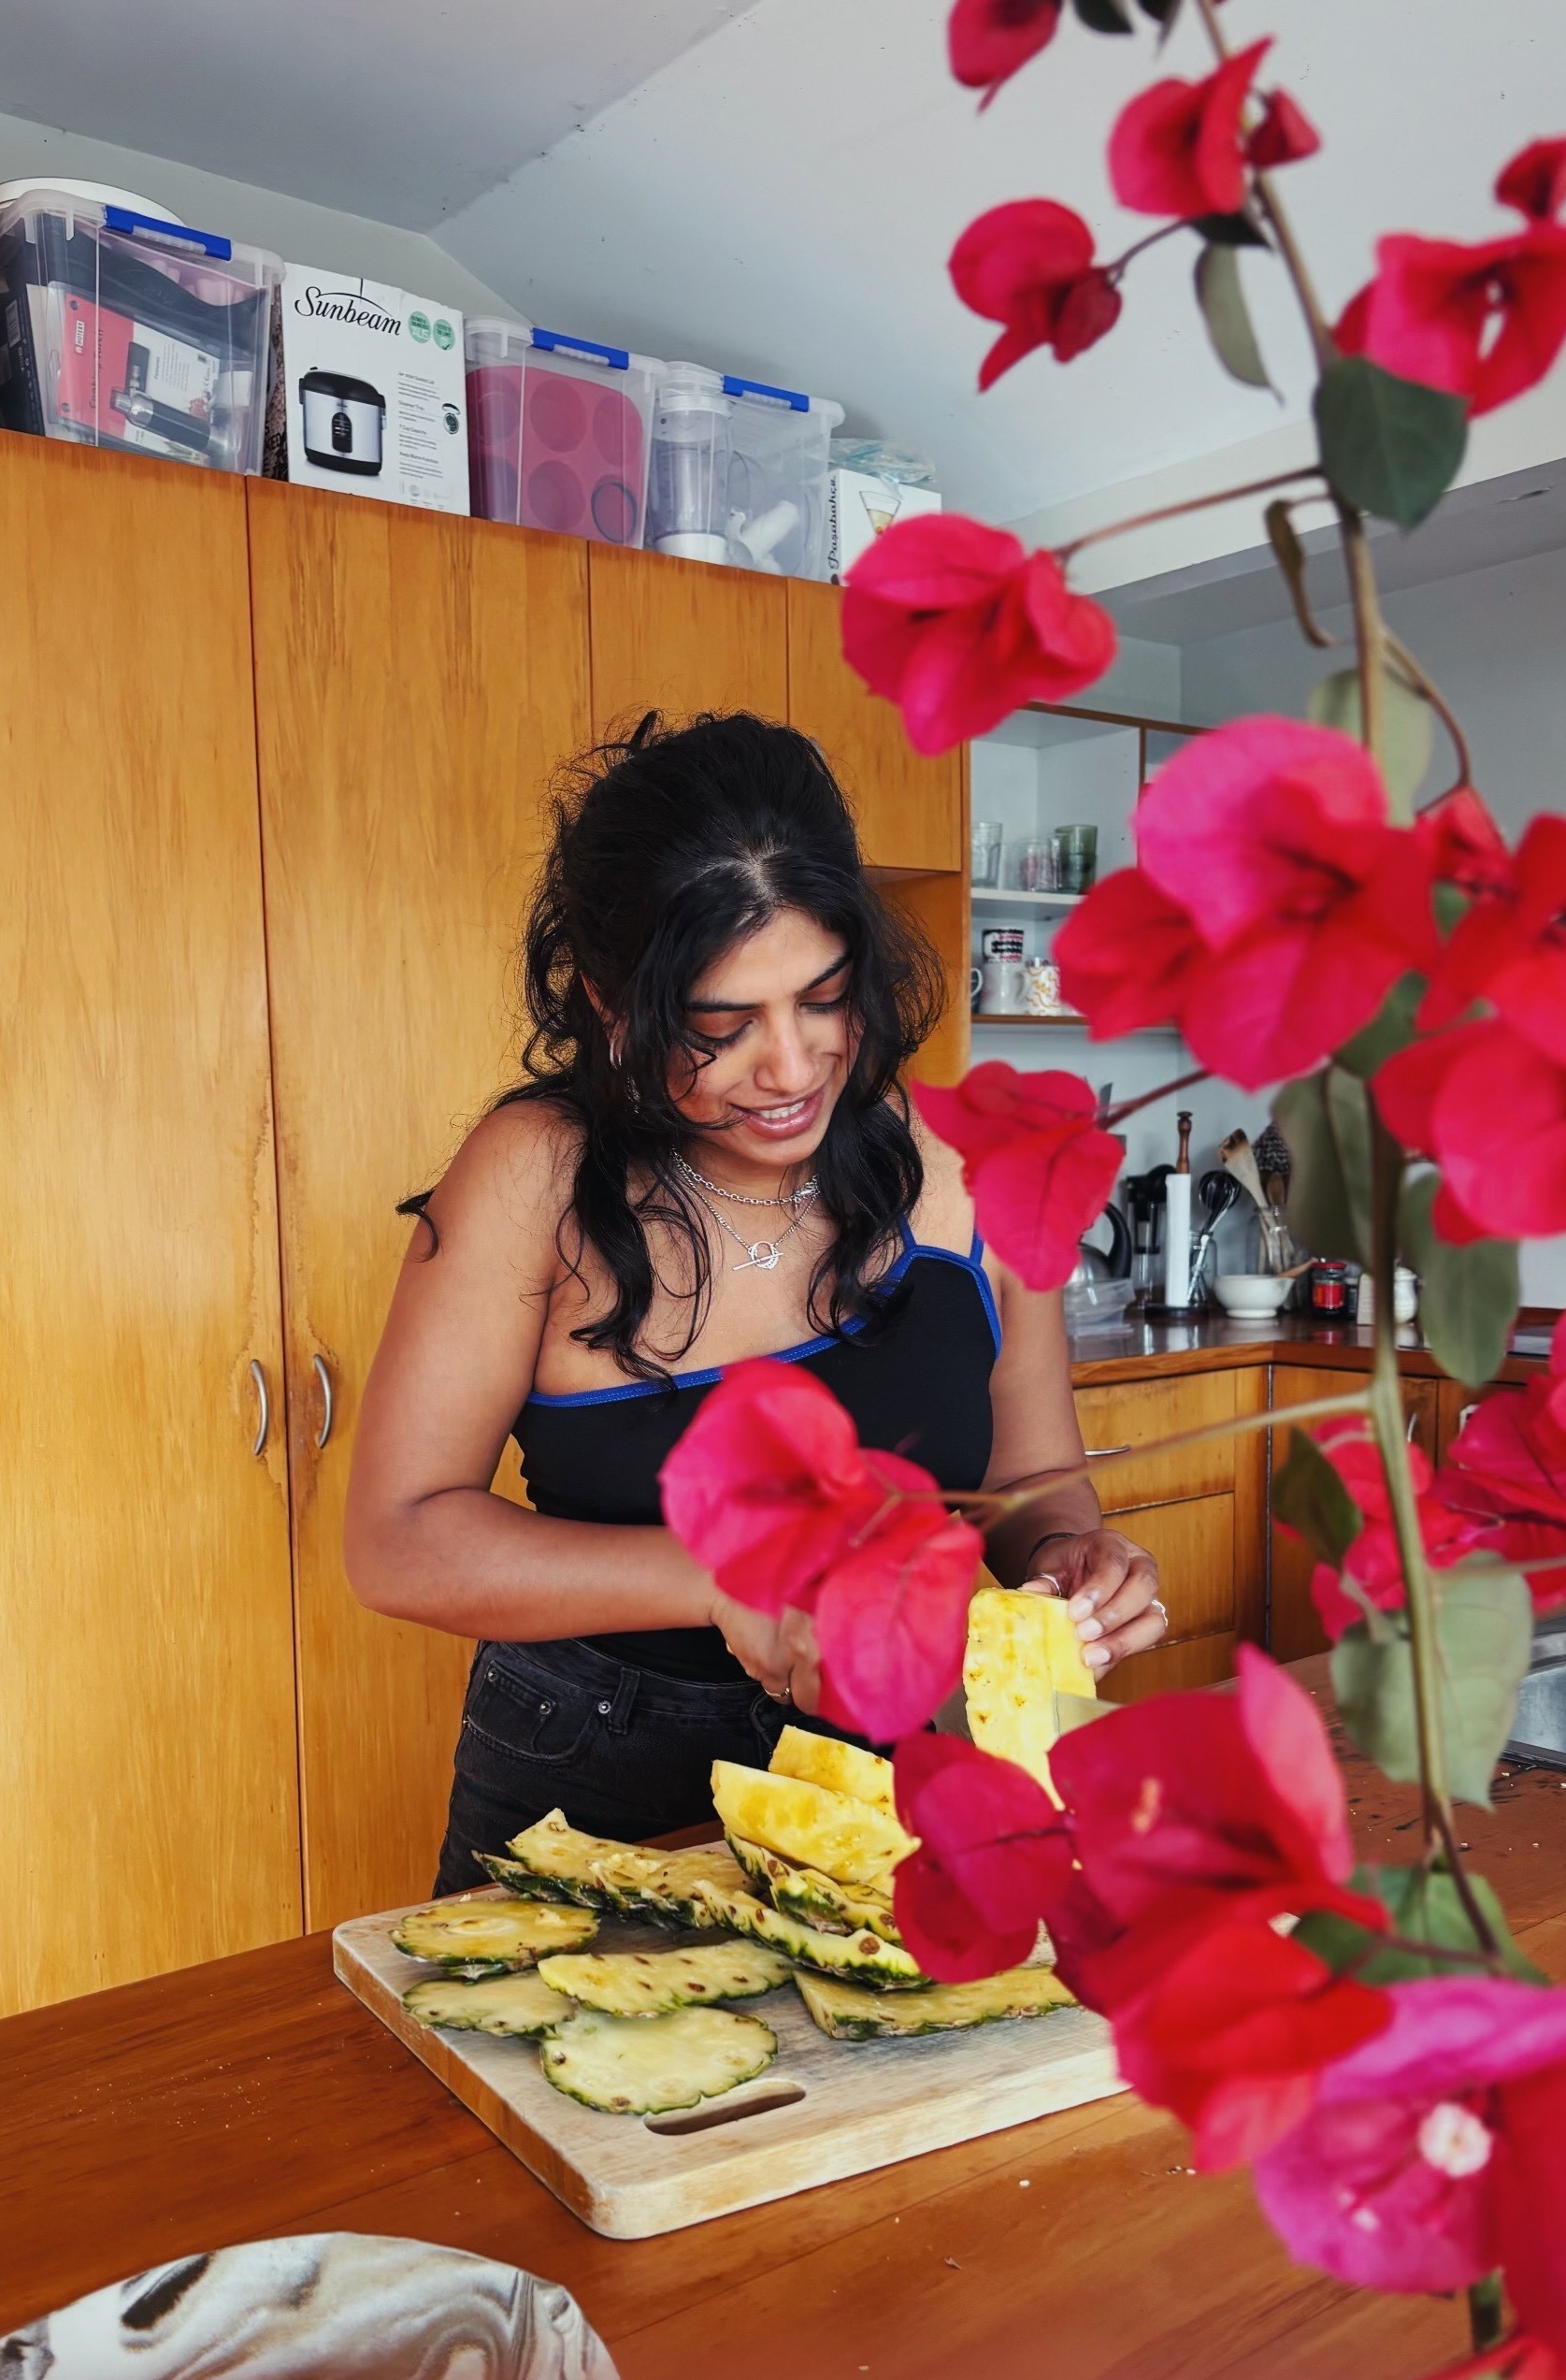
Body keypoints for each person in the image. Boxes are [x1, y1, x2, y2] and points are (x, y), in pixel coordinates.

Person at [345, 714, 1168, 1891]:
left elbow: (1034, 1488)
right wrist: (725, 1585)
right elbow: (398, 1539)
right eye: (721, 1029)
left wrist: (1080, 1560)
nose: (790, 1069)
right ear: (612, 1010)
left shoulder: (977, 1167)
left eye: (824, 998)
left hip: (893, 1764)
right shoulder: (533, 1175)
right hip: (594, 1783)